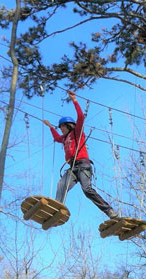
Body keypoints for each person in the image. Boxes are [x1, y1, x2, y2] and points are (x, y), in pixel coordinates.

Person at [43, 90, 118, 219]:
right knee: (61, 184)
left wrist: (75, 100)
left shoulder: (77, 133)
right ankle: (57, 208)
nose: (60, 129)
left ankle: (109, 211)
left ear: (69, 125)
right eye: (60, 128)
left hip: (83, 165)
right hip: (72, 168)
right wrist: (50, 127)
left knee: (87, 190)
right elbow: (56, 138)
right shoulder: (65, 138)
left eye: (62, 127)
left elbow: (81, 117)